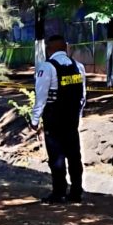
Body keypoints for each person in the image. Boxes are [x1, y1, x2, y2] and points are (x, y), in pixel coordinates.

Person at [30, 34, 87, 204]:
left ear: (49, 49)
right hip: (72, 118)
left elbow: (41, 96)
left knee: (56, 156)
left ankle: (59, 192)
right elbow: (82, 95)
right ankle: (76, 191)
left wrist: (34, 120)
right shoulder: (78, 67)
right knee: (74, 155)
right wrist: (78, 115)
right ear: (65, 48)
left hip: (54, 118)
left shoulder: (47, 67)